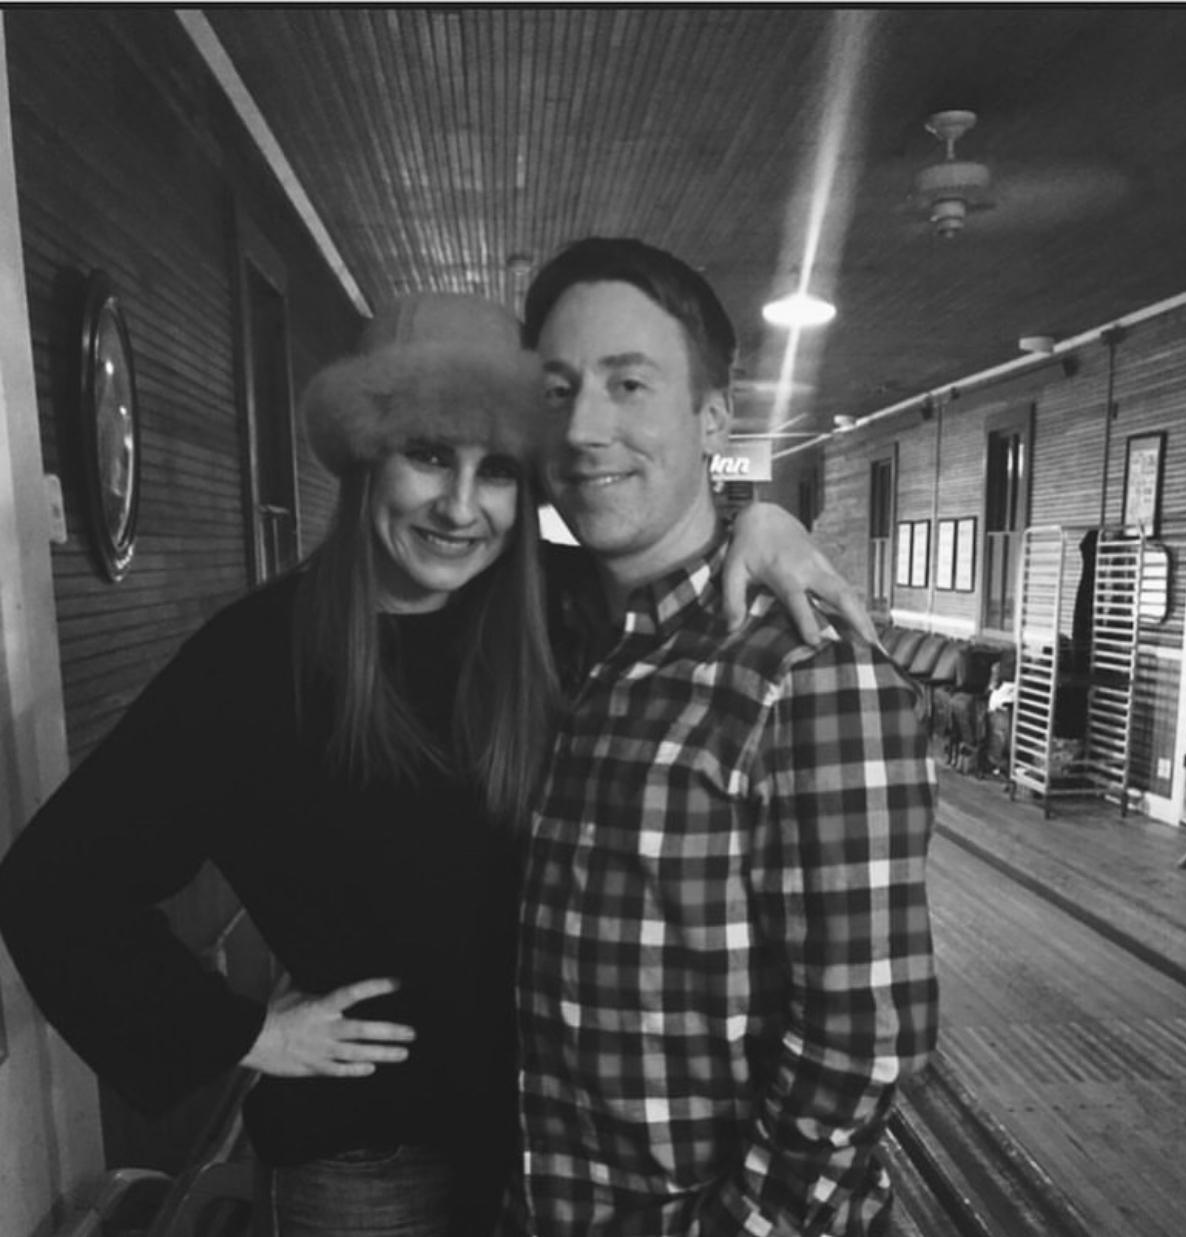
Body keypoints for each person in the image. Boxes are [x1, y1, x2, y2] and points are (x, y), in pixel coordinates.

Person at [0, 291, 869, 1237]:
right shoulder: (257, 661)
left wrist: (763, 524)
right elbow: (54, 883)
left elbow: (682, 564)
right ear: (365, 458)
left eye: (496, 470)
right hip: (372, 1160)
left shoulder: (560, 613)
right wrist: (245, 1031)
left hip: (562, 1149)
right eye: (427, 455)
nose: (460, 507)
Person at [511, 238, 939, 1236]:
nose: (583, 427)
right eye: (559, 390)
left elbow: (862, 1041)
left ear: (713, 418)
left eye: (628, 384)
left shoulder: (808, 673)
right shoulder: (559, 636)